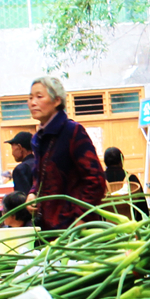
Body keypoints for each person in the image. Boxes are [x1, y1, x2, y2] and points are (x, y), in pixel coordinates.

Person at [26, 76, 107, 230]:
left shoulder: (72, 131)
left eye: (39, 96)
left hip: (74, 227)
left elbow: (96, 179)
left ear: (57, 101)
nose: (32, 102)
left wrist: (81, 216)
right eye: (30, 98)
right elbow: (39, 176)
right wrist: (33, 193)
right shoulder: (38, 138)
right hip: (48, 227)